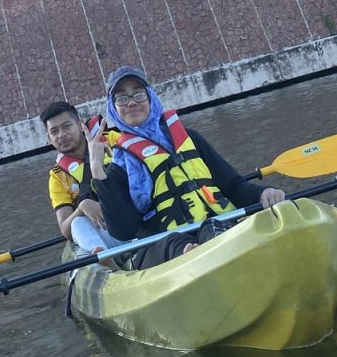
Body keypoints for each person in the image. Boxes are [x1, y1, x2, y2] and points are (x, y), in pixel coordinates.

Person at [89, 66, 285, 269]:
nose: (131, 102)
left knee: (213, 227)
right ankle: (200, 258)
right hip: (162, 244)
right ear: (113, 108)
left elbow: (233, 186)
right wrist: (98, 173)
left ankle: (222, 253)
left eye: (138, 94)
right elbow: (124, 231)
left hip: (216, 224)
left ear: (150, 98)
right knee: (177, 243)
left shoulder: (189, 138)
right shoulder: (118, 169)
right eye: (121, 98)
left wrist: (263, 194)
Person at [40, 101, 126, 256]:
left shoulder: (112, 139)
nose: (61, 135)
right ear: (49, 138)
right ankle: (103, 257)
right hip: (107, 233)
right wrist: (81, 208)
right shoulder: (57, 176)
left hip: (133, 219)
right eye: (54, 131)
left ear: (80, 125)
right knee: (77, 223)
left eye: (67, 126)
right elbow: (66, 229)